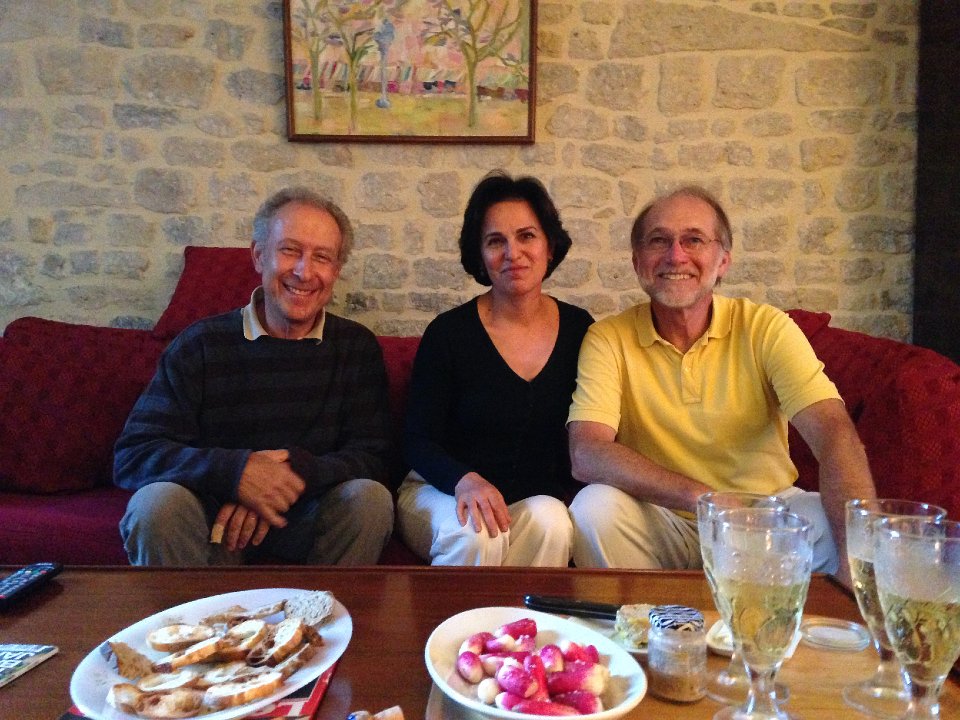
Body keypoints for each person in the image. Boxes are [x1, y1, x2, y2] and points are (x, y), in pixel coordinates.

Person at [567, 185, 875, 582]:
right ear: (637, 262)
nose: (676, 255)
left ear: (723, 260)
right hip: (662, 518)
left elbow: (834, 434)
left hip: (762, 517)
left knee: (837, 528)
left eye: (694, 240)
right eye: (658, 240)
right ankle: (646, 619)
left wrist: (856, 559)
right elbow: (588, 452)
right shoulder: (609, 337)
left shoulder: (766, 327)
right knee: (593, 509)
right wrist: (701, 498)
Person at [114, 187, 395, 566]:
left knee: (370, 500)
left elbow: (376, 458)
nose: (304, 272)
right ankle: (187, 609)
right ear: (259, 255)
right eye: (290, 250)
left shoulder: (355, 348)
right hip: (214, 524)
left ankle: (327, 607)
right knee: (155, 505)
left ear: (336, 271)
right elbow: (135, 454)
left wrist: (289, 477)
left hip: (307, 519)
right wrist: (237, 475)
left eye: (322, 257)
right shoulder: (200, 344)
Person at [398, 171, 594, 566]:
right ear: (480, 256)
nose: (512, 252)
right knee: (478, 532)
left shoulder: (581, 330)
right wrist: (465, 480)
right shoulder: (448, 333)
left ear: (550, 246)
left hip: (524, 500)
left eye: (526, 236)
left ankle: (524, 612)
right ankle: (464, 612)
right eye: (495, 241)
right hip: (441, 490)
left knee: (554, 520)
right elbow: (417, 441)